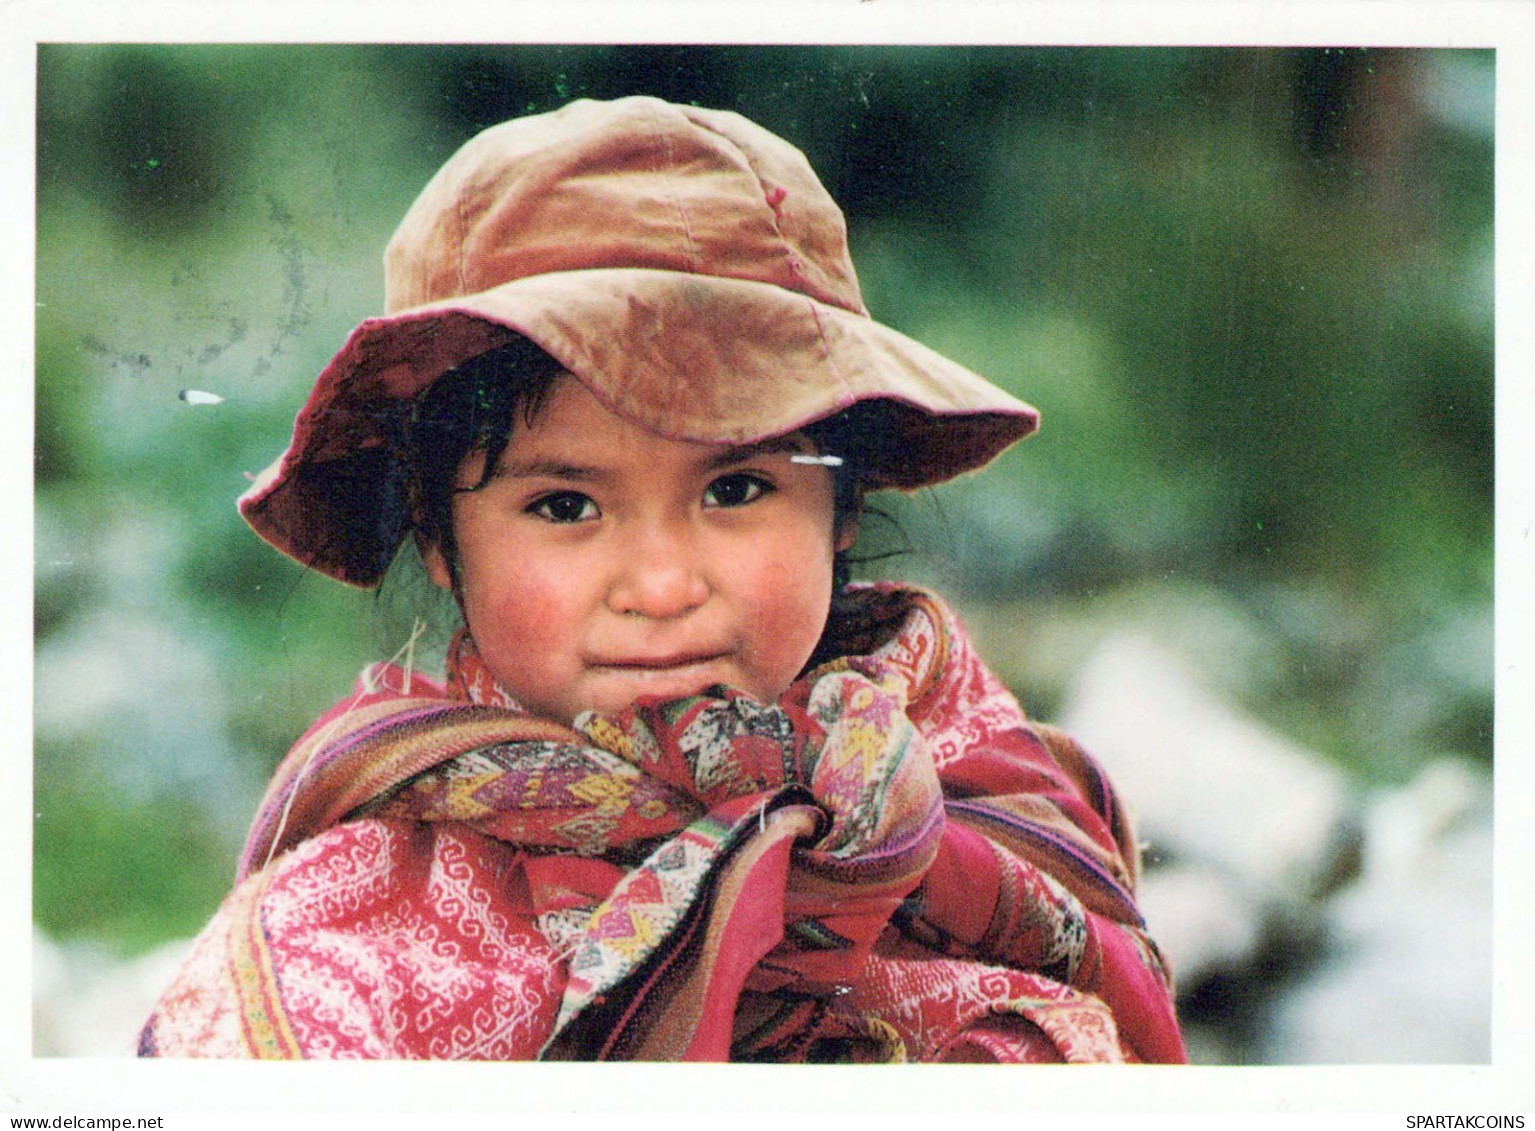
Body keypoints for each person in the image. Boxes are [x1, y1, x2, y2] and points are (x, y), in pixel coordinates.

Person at [139, 95, 1186, 1063]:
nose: (660, 583)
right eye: (564, 507)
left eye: (733, 489)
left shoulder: (985, 801)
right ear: (439, 545)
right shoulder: (349, 926)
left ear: (842, 508)